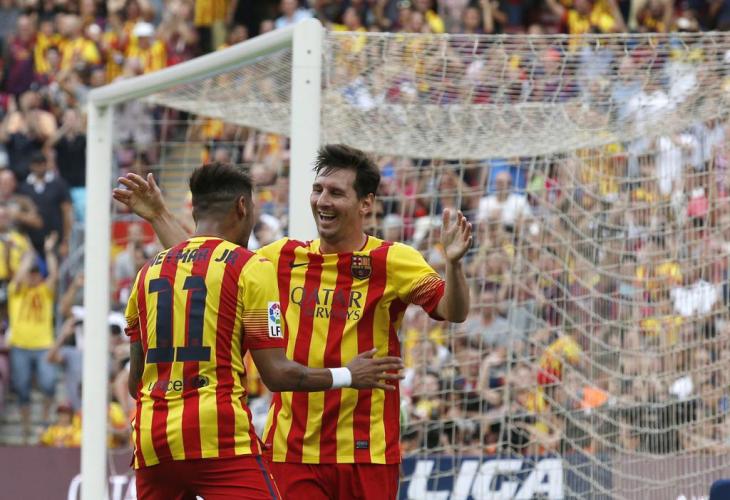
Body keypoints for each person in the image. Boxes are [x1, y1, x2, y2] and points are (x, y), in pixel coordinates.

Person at [113, 144, 472, 499]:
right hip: (291, 451)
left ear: (366, 203)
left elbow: (453, 311)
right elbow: (208, 264)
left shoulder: (394, 260)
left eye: (336, 193)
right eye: (318, 190)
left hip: (367, 450)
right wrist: (159, 215)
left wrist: (454, 265)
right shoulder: (281, 257)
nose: (323, 201)